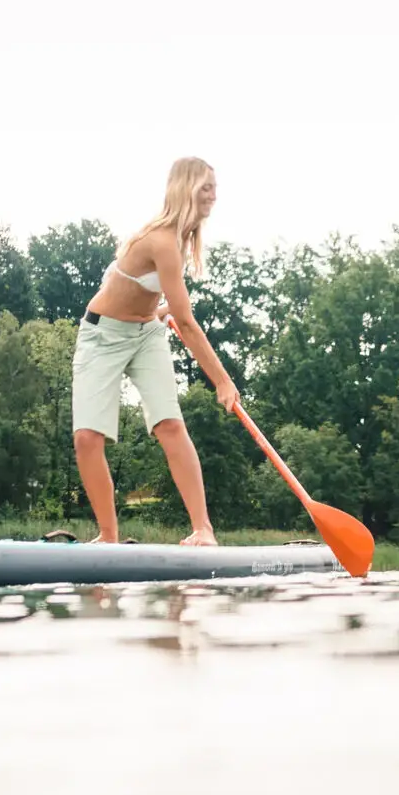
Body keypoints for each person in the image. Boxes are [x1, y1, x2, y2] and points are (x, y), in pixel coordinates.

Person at [71, 157, 240, 545]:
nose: (213, 195)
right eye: (206, 187)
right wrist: (223, 381)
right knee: (87, 438)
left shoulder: (181, 241)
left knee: (170, 424)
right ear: (185, 189)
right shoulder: (162, 240)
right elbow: (188, 321)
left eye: (215, 187)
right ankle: (108, 537)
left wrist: (154, 310)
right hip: (101, 336)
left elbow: (156, 300)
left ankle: (203, 530)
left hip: (146, 334)